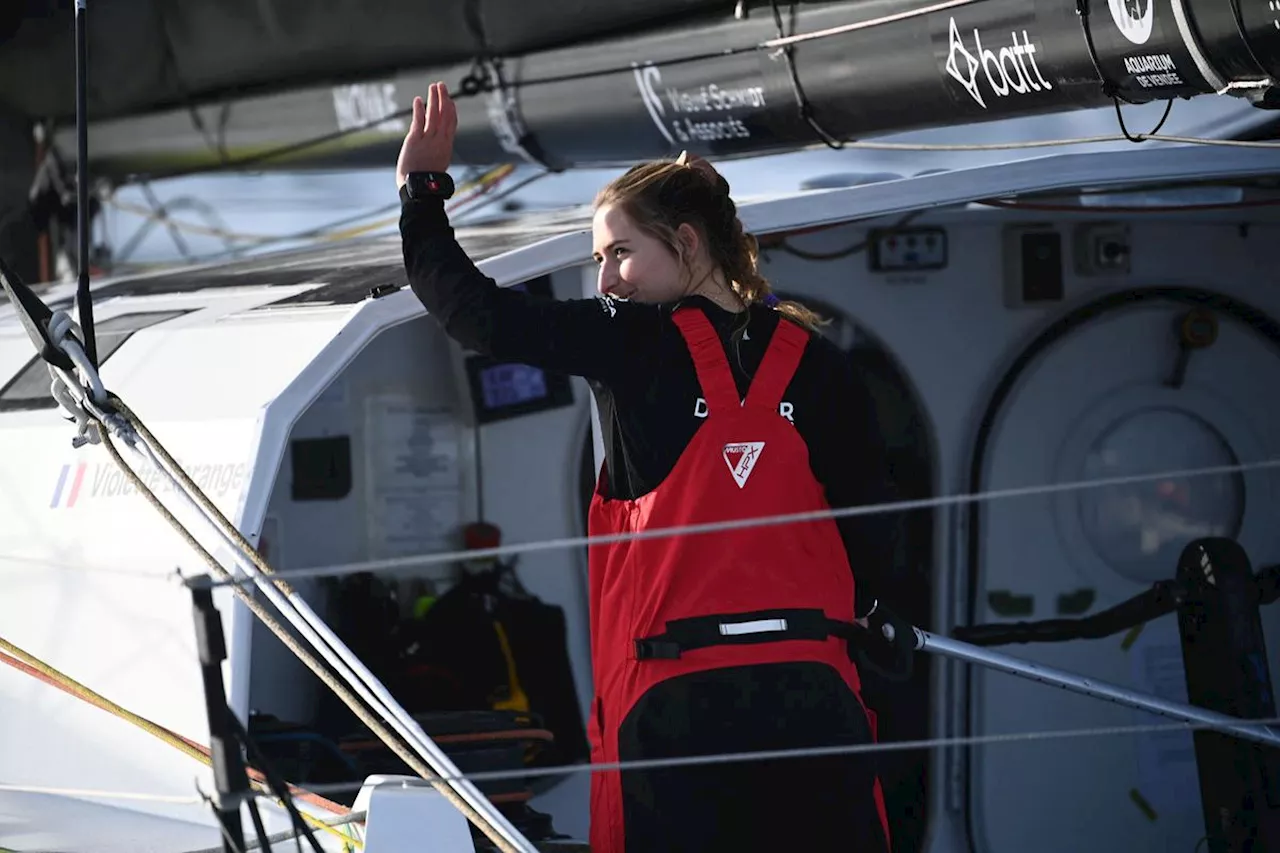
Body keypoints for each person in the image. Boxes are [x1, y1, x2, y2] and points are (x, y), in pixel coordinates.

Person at [397, 82, 905, 853]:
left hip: (677, 706)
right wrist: (867, 606)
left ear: (690, 244)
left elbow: (477, 315)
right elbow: (871, 529)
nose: (605, 281)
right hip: (814, 699)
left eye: (620, 253)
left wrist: (423, 193)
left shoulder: (628, 342)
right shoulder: (824, 366)